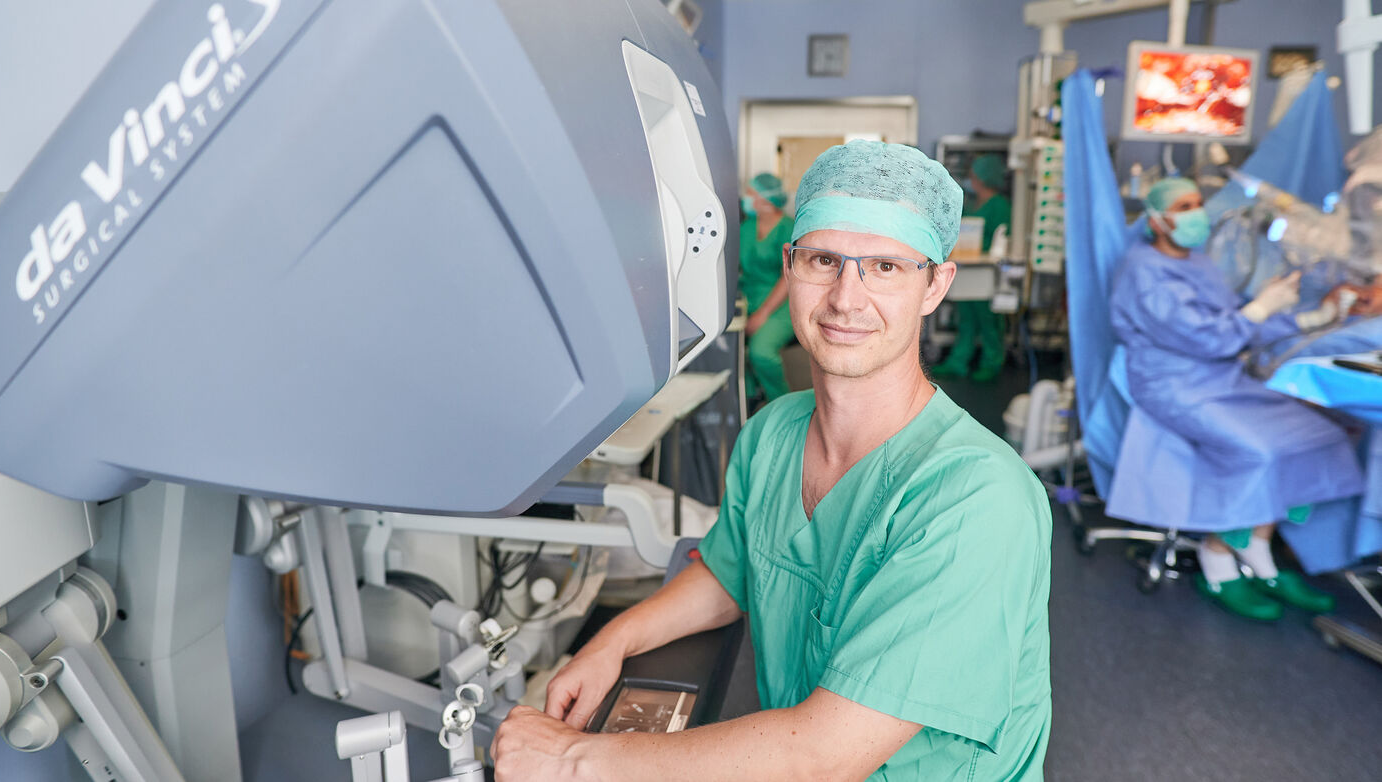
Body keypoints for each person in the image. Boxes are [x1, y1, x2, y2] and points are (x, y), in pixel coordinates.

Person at [492, 140, 1053, 781]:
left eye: (886, 268)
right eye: (823, 260)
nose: (846, 298)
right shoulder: (772, 434)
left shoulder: (975, 499)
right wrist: (610, 642)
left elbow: (824, 754)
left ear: (935, 285)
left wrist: (570, 759)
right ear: (790, 265)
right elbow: (733, 573)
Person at [1109, 177, 1366, 621]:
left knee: (1319, 436)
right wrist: (1261, 308)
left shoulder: (1199, 264)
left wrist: (1313, 315)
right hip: (1174, 385)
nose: (1196, 213)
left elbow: (1238, 321)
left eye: (1197, 203)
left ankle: (1260, 554)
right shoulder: (1141, 271)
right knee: (1261, 451)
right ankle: (1218, 560)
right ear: (1157, 220)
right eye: (1184, 206)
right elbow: (1208, 336)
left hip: (1226, 379)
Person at [932, 154, 1010, 382]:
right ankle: (958, 361)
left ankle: (992, 361)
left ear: (985, 177)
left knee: (988, 320)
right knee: (965, 318)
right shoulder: (973, 203)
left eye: (975, 175)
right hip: (966, 268)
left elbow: (1002, 239)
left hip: (986, 271)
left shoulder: (999, 205)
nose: (971, 179)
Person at [739, 172, 795, 402]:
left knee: (760, 352)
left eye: (751, 194)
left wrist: (762, 314)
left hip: (781, 304)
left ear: (766, 199)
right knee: (735, 352)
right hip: (749, 298)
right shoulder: (746, 227)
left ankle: (781, 403)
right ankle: (750, 398)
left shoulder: (789, 229)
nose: (747, 199)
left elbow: (788, 277)